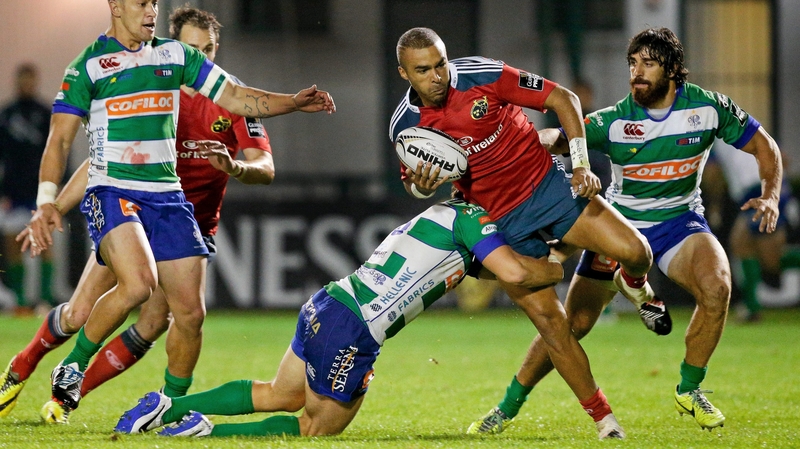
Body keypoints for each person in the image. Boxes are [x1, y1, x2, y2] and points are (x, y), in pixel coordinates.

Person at [14, 0, 333, 424]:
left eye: (154, 3)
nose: (150, 11)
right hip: (115, 191)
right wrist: (47, 203)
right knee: (131, 289)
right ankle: (64, 365)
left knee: (188, 314)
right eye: (141, 3)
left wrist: (292, 102)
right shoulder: (88, 65)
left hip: (167, 198)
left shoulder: (177, 58)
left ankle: (167, 407)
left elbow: (237, 97)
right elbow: (61, 143)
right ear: (115, 6)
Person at [473, 27, 783, 432]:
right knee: (574, 326)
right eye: (632, 64)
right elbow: (561, 137)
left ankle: (689, 390)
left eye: (648, 64)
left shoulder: (708, 108)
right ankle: (507, 406)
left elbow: (765, 146)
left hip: (679, 223)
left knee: (718, 286)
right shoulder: (615, 120)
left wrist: (771, 195)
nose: (636, 73)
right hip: (619, 227)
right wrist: (532, 142)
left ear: (672, 70)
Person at [389, 27, 666, 438]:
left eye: (441, 63)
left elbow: (562, 98)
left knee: (636, 250)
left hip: (548, 186)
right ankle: (605, 421)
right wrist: (422, 186)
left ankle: (634, 284)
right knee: (555, 326)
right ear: (404, 74)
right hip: (498, 219)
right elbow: (412, 183)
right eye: (424, 70)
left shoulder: (483, 74)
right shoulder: (406, 125)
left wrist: (580, 164)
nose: (438, 76)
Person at [113, 198, 568, 438]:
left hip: (328, 302)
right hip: (352, 329)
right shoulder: (475, 222)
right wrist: (555, 266)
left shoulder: (441, 217)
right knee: (316, 428)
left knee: (278, 394)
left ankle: (170, 407)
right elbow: (510, 271)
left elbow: (489, 267)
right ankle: (202, 434)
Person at [703, 142, 800, 322]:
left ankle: (752, 308)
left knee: (771, 261)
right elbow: (782, 157)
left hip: (760, 190)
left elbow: (712, 173)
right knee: (741, 244)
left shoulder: (714, 133)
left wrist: (714, 205)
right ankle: (752, 308)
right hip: (759, 189)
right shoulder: (740, 125)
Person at [0, 63, 57, 316]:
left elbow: (58, 150)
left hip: (40, 191)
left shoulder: (46, 113)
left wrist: (57, 185)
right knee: (13, 244)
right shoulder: (7, 114)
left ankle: (44, 300)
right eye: (22, 80)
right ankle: (20, 301)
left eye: (30, 80)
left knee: (44, 242)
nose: (27, 85)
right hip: (13, 192)